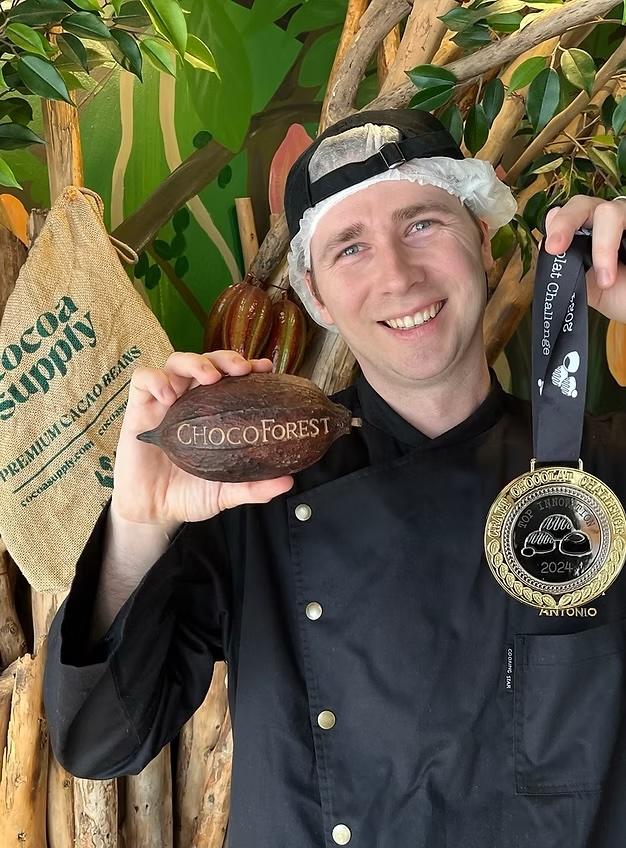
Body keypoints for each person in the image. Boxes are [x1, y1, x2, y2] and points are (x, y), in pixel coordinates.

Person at [44, 110, 626, 848]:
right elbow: (98, 742)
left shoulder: (603, 467)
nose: (397, 275)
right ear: (316, 296)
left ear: (482, 241)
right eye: (351, 247)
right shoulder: (255, 496)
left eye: (422, 224)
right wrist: (138, 523)